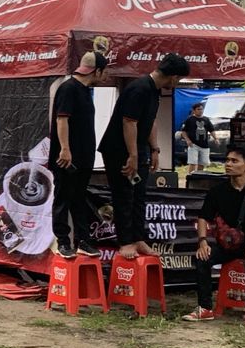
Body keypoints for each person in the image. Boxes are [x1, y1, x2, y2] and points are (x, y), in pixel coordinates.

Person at [98, 53, 191, 259]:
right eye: (179, 80)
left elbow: (151, 120)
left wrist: (154, 149)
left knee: (139, 196)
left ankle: (138, 238)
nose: (177, 84)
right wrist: (132, 155)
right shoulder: (138, 88)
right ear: (173, 77)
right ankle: (125, 242)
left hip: (139, 148)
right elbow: (129, 122)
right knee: (124, 196)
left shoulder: (154, 91)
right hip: (118, 150)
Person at [182, 145, 245, 328]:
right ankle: (205, 308)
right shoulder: (217, 191)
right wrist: (202, 242)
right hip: (229, 245)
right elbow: (203, 217)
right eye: (227, 160)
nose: (228, 164)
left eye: (234, 161)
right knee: (202, 258)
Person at [50, 51, 107, 256]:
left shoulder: (84, 90)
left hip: (84, 157)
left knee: (79, 198)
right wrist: (65, 149)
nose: (105, 76)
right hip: (67, 158)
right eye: (104, 72)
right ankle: (63, 242)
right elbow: (61, 119)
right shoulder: (69, 88)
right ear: (97, 71)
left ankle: (83, 240)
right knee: (63, 198)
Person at [178, 102, 214, 171]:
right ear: (194, 110)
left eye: (201, 109)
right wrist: (188, 140)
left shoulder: (206, 119)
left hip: (204, 145)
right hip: (193, 144)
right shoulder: (189, 119)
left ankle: (199, 175)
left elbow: (211, 130)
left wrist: (215, 138)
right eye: (198, 109)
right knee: (193, 162)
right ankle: (190, 176)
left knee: (203, 163)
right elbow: (183, 131)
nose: (200, 111)